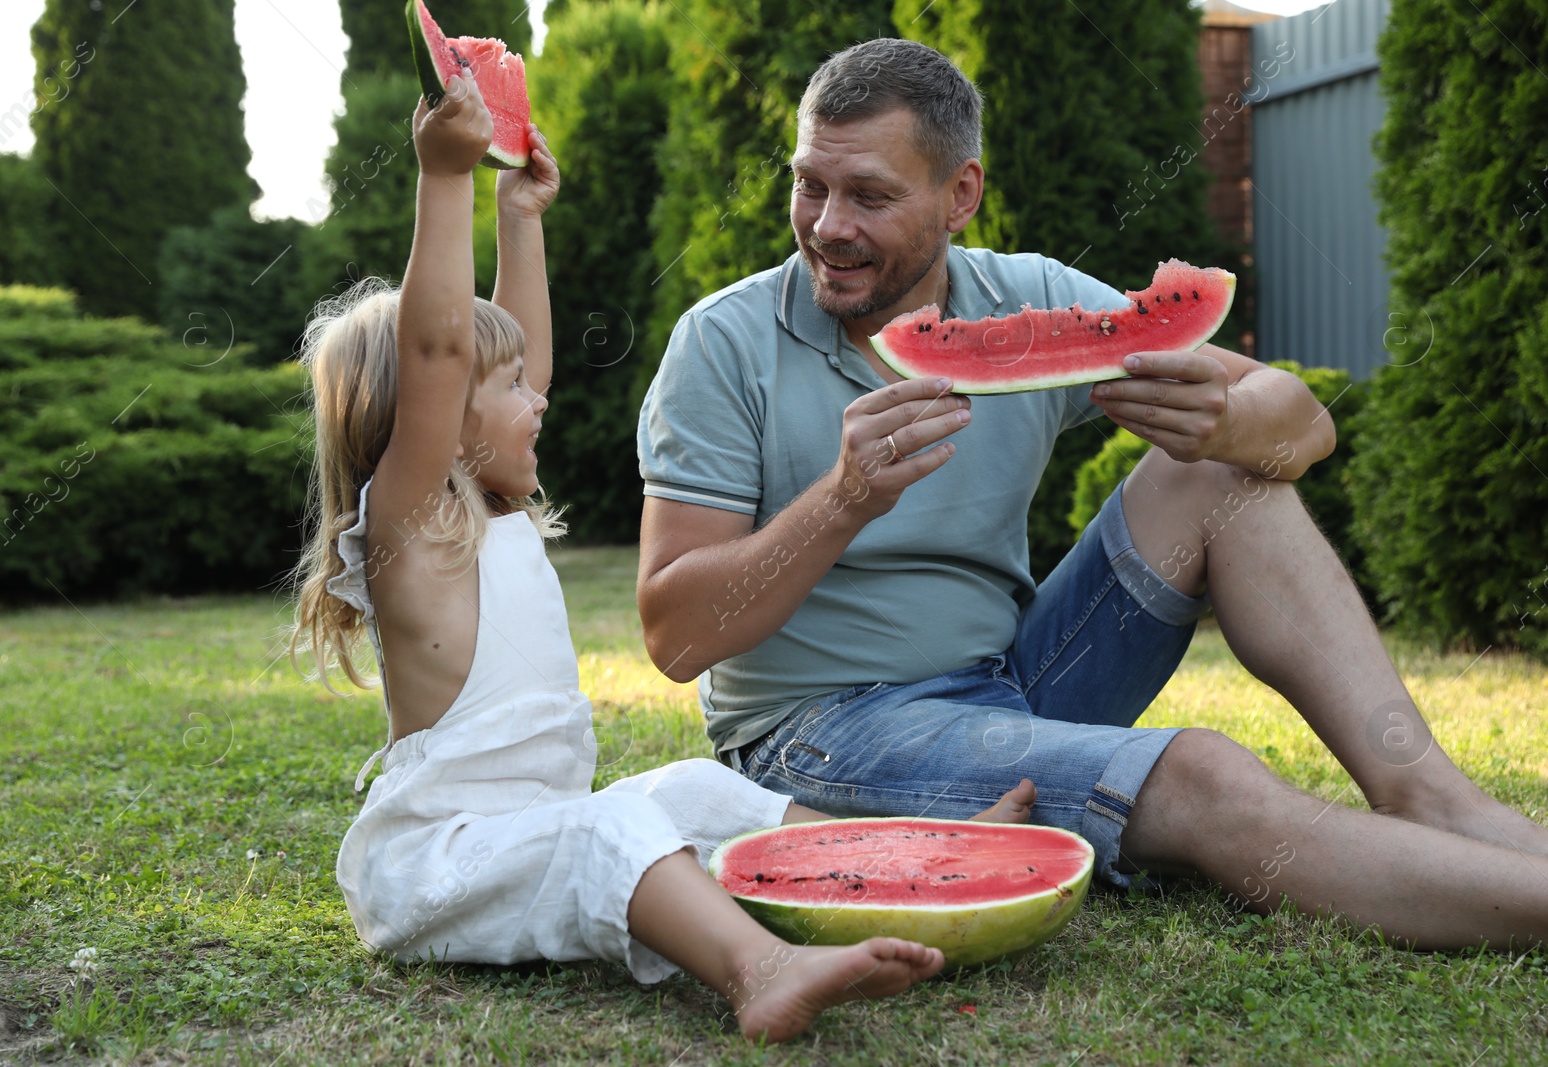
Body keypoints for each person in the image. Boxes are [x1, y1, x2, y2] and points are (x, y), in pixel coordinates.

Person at [636, 38, 1548, 952]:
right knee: (1204, 771)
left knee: (1219, 472)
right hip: (819, 733)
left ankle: (1432, 796)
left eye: (870, 195)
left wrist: (1228, 426)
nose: (828, 225)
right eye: (810, 184)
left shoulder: (1023, 298)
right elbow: (674, 638)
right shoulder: (723, 346)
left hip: (1010, 678)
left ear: (960, 193)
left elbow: (1302, 420)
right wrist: (841, 500)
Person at [289, 72, 1037, 1043]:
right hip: (443, 862)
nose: (540, 397)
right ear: (429, 425)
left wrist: (521, 216)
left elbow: (512, 355)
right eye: (510, 388)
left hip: (529, 829)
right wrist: (446, 178)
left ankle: (916, 859)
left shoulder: (492, 509)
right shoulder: (410, 538)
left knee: (693, 788)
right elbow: (438, 354)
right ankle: (759, 969)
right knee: (611, 826)